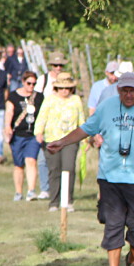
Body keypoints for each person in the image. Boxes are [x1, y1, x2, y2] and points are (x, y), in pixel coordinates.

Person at [46, 72, 134, 266]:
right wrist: (62, 142)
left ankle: (132, 260)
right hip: (110, 176)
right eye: (124, 90)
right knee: (113, 222)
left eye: (132, 90)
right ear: (118, 90)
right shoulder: (107, 106)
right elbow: (86, 129)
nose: (128, 94)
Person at [33, 71, 85, 211]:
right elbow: (42, 117)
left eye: (67, 88)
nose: (64, 91)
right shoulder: (49, 99)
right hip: (52, 139)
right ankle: (54, 202)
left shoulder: (75, 100)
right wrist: (39, 132)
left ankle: (68, 201)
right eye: (61, 88)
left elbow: (81, 120)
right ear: (56, 88)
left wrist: (85, 138)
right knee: (54, 169)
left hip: (70, 139)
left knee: (68, 168)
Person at [4, 70, 45, 201]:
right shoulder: (13, 96)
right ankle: (18, 191)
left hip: (33, 135)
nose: (31, 86)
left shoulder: (39, 97)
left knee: (31, 160)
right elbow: (9, 113)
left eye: (34, 84)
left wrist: (41, 131)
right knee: (18, 165)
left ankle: (31, 191)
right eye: (29, 83)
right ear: (23, 82)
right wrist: (7, 127)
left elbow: (43, 115)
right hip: (18, 135)